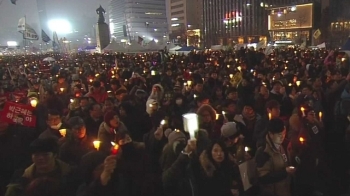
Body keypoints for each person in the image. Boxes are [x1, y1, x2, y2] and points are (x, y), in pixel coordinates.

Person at [5, 137, 73, 196]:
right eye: (36, 155)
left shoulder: (70, 175)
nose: (41, 158)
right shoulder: (21, 176)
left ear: (55, 155)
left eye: (45, 154)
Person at [255, 118, 295, 196]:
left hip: (285, 190)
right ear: (271, 134)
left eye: (284, 133)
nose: (282, 137)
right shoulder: (264, 152)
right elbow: (263, 177)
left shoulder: (283, 145)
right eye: (279, 135)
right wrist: (285, 172)